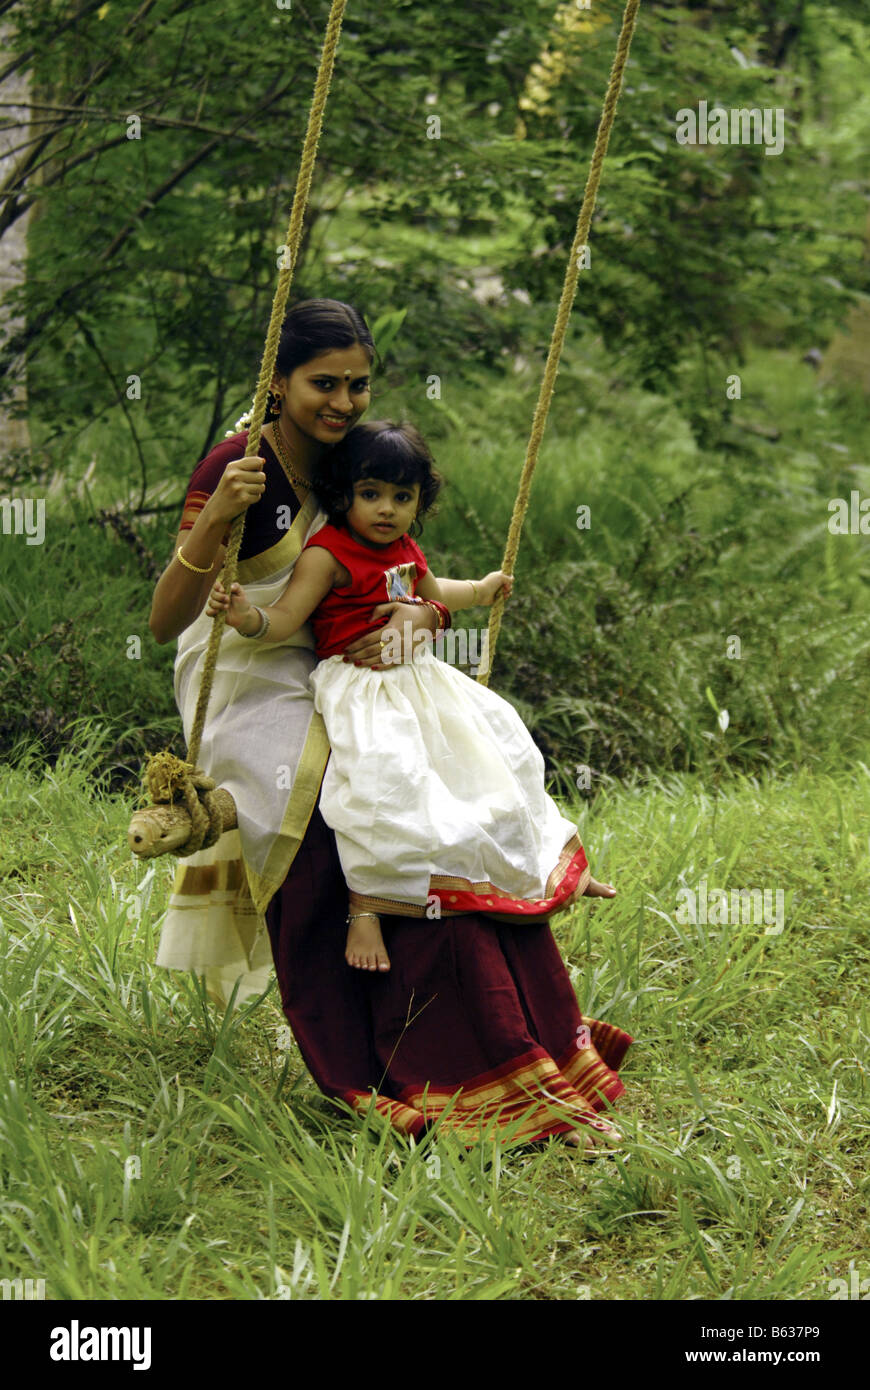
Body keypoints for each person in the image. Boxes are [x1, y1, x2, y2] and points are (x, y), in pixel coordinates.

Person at [150, 298, 632, 1152]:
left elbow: (403, 579)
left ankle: (502, 1042)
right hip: (251, 672)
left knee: (432, 803)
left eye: (357, 385)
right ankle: (363, 1065)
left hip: (349, 668)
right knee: (331, 824)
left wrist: (426, 621)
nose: (341, 403)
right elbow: (166, 619)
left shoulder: (357, 460)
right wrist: (222, 514)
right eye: (321, 384)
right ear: (278, 380)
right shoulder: (238, 466)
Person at [206, 419, 611, 979]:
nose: (386, 509)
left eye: (402, 497)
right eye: (370, 494)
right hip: (362, 688)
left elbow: (437, 594)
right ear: (344, 495)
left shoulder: (405, 549)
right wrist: (247, 617)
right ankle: (367, 905)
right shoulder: (328, 553)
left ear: (419, 502)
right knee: (382, 783)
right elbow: (286, 619)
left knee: (501, 747)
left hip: (422, 679)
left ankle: (548, 863)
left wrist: (485, 589)